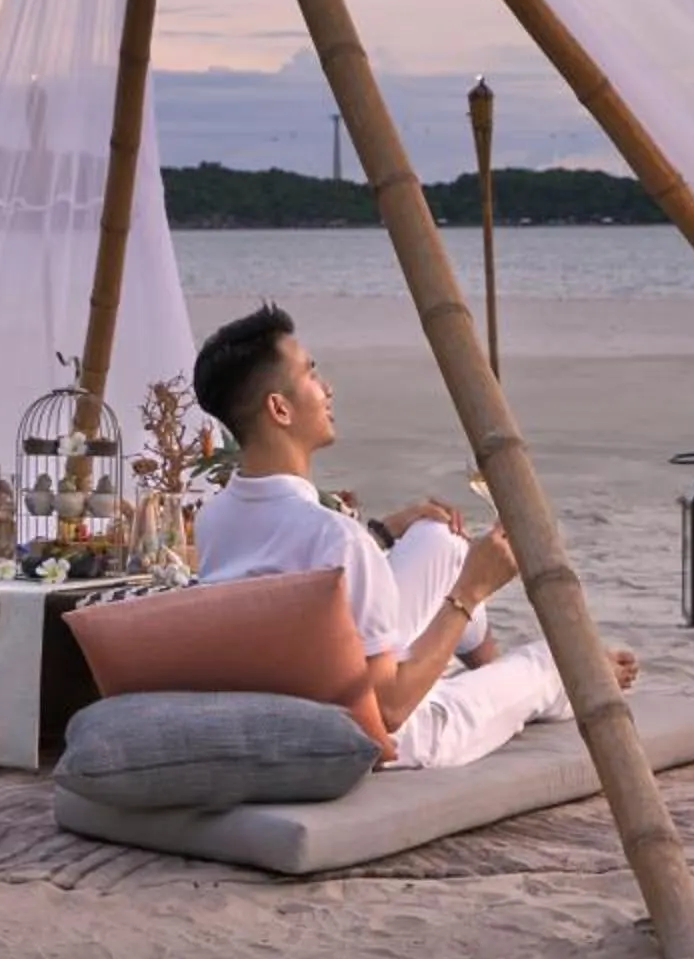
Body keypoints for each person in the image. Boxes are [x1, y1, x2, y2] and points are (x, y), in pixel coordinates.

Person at [188, 303, 636, 769]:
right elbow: (391, 709)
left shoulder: (216, 517)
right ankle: (534, 681)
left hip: (307, 683)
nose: (327, 388)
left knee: (436, 541)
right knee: (545, 662)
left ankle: (484, 669)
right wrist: (471, 589)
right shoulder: (337, 539)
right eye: (312, 374)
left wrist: (384, 533)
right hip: (390, 735)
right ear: (279, 408)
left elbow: (298, 564)